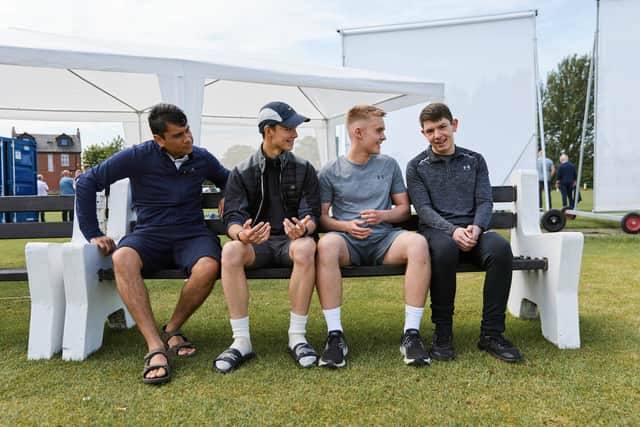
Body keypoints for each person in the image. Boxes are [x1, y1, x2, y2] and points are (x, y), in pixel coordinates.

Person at [75, 103, 230, 385]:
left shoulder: (202, 158)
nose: (188, 139)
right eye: (178, 135)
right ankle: (155, 346)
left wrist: (227, 194)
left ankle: (172, 329)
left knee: (209, 266)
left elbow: (231, 180)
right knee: (122, 258)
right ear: (159, 139)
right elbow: (88, 181)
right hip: (150, 233)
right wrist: (92, 232)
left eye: (188, 131)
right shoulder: (138, 156)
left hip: (191, 234)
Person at [406, 102, 523, 363]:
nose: (437, 135)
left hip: (474, 229)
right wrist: (452, 231)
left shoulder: (475, 160)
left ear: (454, 125)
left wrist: (477, 227)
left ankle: (492, 334)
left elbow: (484, 201)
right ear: (423, 133)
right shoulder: (416, 166)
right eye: (429, 130)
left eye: (442, 127)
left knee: (501, 249)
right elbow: (423, 209)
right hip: (438, 232)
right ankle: (443, 332)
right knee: (445, 249)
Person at [316, 105, 431, 369]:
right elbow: (322, 218)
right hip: (348, 243)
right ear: (358, 132)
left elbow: (403, 210)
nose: (383, 136)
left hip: (384, 241)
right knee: (326, 245)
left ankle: (411, 335)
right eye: (378, 131)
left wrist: (382, 216)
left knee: (418, 243)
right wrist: (345, 227)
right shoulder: (330, 171)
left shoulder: (389, 165)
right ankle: (335, 337)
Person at [214, 101, 320, 373]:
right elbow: (232, 217)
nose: (295, 134)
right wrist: (242, 234)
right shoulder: (241, 171)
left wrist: (303, 228)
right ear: (268, 130)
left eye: (295, 128)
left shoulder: (305, 168)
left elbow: (312, 213)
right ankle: (241, 341)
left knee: (307, 247)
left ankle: (297, 337)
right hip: (256, 247)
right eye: (288, 128)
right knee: (230, 251)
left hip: (291, 244)